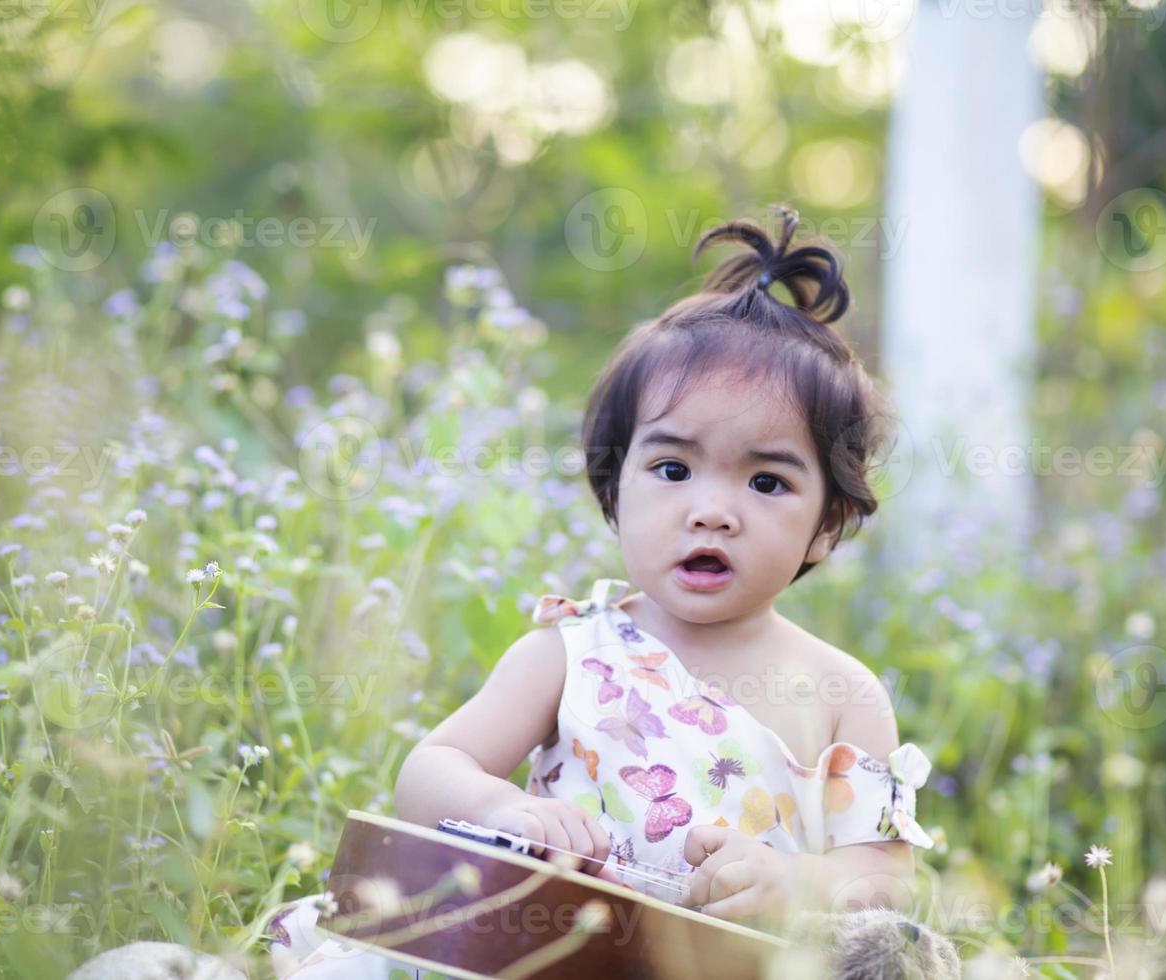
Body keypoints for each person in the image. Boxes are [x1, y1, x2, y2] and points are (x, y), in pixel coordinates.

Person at [269, 205, 939, 979]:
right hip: (532, 957)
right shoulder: (571, 651)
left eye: (766, 480)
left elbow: (885, 879)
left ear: (828, 525)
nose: (711, 510)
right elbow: (430, 769)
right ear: (613, 490)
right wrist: (504, 810)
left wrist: (794, 881)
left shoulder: (842, 693)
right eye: (673, 469)